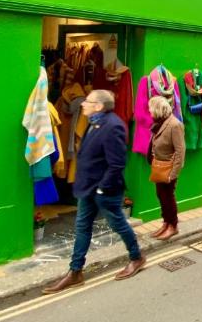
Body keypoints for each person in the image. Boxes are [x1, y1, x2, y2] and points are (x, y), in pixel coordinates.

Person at [44, 90, 145, 294]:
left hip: (105, 190)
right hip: (88, 188)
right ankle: (75, 272)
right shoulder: (94, 121)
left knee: (118, 224)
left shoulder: (114, 126)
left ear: (99, 106)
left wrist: (102, 188)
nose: (83, 104)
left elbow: (116, 164)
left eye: (88, 102)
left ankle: (136, 258)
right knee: (82, 227)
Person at [147, 95, 185, 241]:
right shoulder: (160, 123)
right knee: (161, 196)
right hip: (159, 167)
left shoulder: (175, 125)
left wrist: (173, 174)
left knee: (168, 197)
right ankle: (166, 222)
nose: (150, 113)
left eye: (151, 110)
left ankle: (173, 226)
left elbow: (180, 151)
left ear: (158, 110)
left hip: (168, 169)